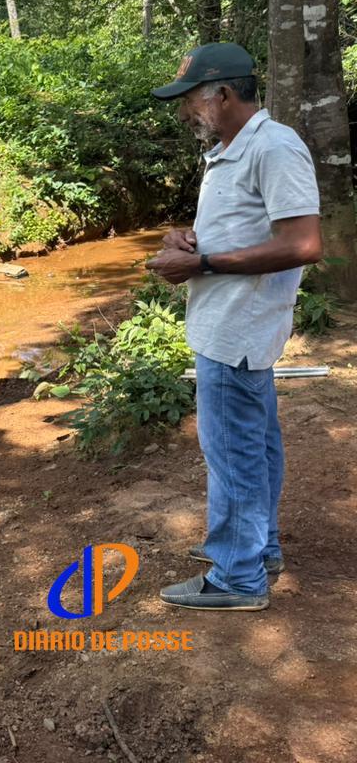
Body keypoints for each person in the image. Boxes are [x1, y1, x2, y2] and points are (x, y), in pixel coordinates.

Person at [145, 42, 322, 612]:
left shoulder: (273, 147)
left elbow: (302, 244)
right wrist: (190, 241)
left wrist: (200, 264)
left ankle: (239, 577)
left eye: (190, 100)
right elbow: (244, 231)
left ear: (222, 94)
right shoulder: (231, 150)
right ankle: (257, 548)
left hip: (238, 329)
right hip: (229, 325)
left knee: (233, 452)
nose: (183, 112)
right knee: (254, 445)